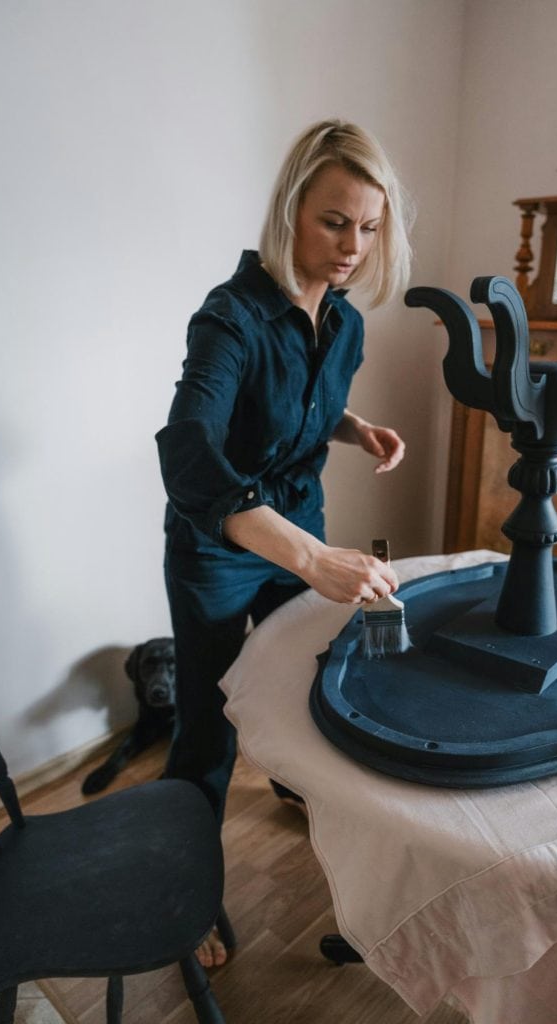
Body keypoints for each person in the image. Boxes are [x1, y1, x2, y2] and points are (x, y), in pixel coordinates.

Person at [156, 119, 412, 966]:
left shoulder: (341, 324)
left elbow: (296, 406)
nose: (352, 246)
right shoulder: (227, 318)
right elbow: (191, 447)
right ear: (291, 210)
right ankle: (182, 903)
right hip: (224, 544)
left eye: (369, 227)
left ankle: (293, 787)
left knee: (307, 685)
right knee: (208, 726)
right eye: (334, 221)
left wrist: (353, 427)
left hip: (300, 519)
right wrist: (306, 557)